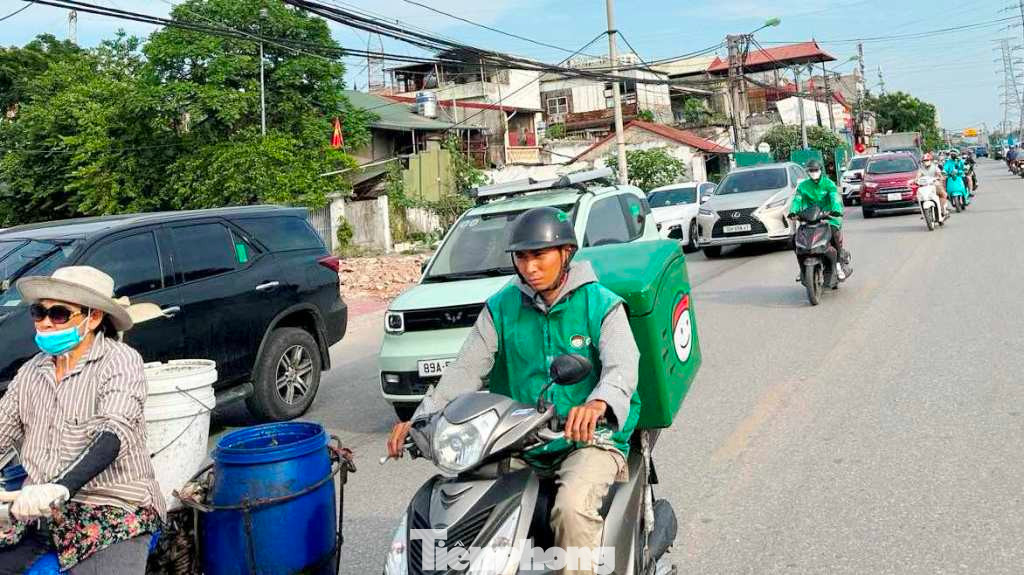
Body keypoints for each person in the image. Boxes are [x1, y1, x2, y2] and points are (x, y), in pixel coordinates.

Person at [386, 207, 641, 575]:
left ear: (566, 253)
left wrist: (598, 402)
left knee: (571, 507)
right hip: (519, 440)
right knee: (469, 503)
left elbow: (622, 365)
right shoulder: (502, 306)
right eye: (522, 257)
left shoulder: (601, 304)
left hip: (588, 439)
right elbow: (466, 370)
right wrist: (421, 420)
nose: (530, 267)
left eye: (539, 256)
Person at [0, 266, 164, 575]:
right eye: (39, 312)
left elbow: (114, 431)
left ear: (94, 318)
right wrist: (42, 493)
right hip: (40, 511)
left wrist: (59, 487)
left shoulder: (120, 361)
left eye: (60, 314)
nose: (46, 322)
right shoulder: (31, 372)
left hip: (111, 507)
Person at [788, 159, 852, 282]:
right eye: (811, 170)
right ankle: (802, 269)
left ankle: (838, 265)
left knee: (834, 234)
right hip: (809, 219)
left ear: (820, 170)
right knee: (794, 240)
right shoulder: (803, 186)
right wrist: (793, 211)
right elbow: (797, 199)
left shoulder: (829, 184)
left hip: (828, 217)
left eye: (815, 170)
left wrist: (836, 210)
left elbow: (835, 198)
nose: (813, 172)